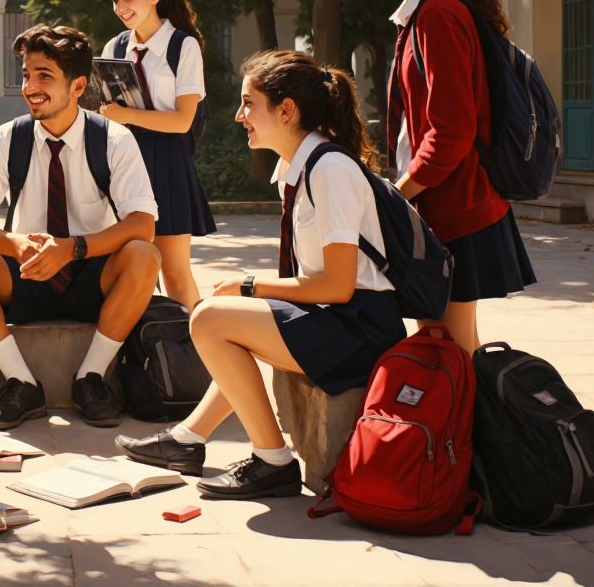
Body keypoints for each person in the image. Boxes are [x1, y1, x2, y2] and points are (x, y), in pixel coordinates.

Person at [116, 51, 405, 500]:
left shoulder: (329, 169)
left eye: (249, 103)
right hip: (337, 318)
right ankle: (188, 439)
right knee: (227, 317)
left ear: (286, 110)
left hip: (360, 328)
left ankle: (272, 461)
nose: (239, 115)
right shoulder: (299, 166)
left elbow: (337, 284)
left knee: (210, 319)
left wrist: (250, 285)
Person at [0, 24, 161, 430]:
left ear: (77, 87)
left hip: (92, 274)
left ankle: (92, 378)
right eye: (26, 75)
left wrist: (71, 249)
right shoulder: (7, 139)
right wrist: (15, 244)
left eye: (44, 77)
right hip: (26, 273)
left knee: (144, 254)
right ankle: (20, 383)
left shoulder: (114, 139)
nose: (30, 87)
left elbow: (142, 224)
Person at [360, 0, 536, 352]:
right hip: (449, 207)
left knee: (447, 351)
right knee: (453, 349)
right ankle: (468, 426)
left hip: (458, 209)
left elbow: (451, 130)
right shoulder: (425, 13)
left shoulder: (437, 13)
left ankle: (482, 427)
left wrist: (397, 196)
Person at [99, 0, 216, 311]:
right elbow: (107, 115)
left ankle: (197, 355)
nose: (120, 7)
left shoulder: (184, 46)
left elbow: (182, 120)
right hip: (123, 162)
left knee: (175, 275)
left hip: (167, 161)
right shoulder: (114, 48)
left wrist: (124, 114)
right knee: (130, 270)